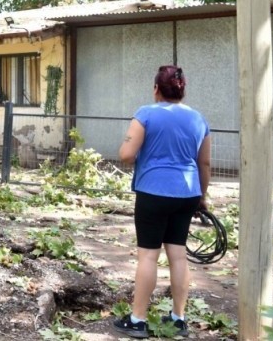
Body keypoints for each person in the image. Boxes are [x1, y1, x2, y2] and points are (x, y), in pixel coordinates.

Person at [112, 65, 211, 338]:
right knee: (177, 255)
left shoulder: (146, 113)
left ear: (156, 88)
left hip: (154, 192)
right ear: (182, 90)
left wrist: (135, 145)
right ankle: (179, 319)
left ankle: (138, 320)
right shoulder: (198, 119)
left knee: (148, 255)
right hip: (188, 193)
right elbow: (204, 163)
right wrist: (202, 197)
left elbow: (126, 154)